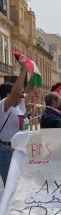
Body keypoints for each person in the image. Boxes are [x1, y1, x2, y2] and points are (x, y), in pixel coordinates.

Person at [0, 57, 28, 186]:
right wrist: (24, 70)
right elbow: (16, 92)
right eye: (19, 96)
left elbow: (27, 91)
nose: (21, 97)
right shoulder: (3, 107)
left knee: (20, 186)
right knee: (12, 187)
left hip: (18, 149)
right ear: (7, 95)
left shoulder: (17, 108)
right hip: (6, 151)